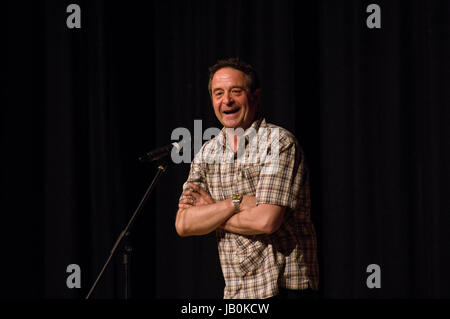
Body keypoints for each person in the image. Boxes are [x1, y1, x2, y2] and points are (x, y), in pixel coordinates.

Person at [175, 57, 319, 299]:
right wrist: (237, 202)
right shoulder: (207, 153)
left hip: (285, 287)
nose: (226, 100)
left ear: (254, 95)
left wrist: (212, 214)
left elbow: (266, 221)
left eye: (236, 92)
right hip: (237, 292)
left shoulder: (279, 143)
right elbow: (184, 224)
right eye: (218, 93)